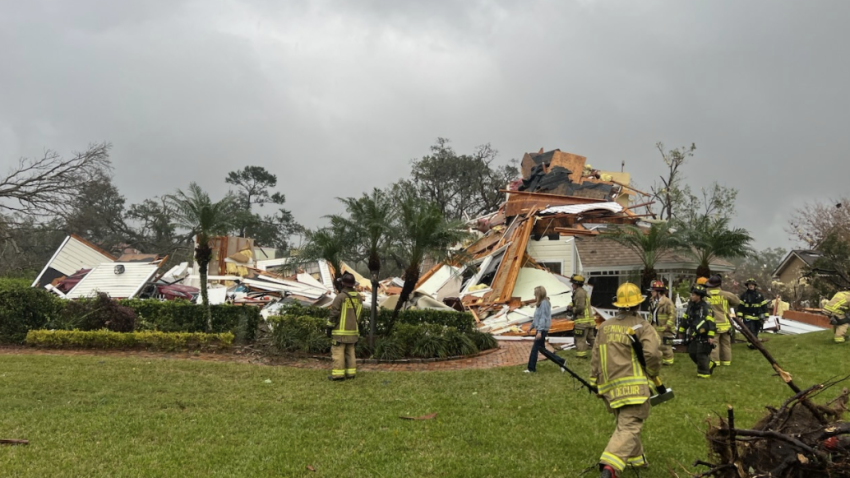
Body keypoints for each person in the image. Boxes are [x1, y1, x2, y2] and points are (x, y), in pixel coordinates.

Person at [591, 282, 661, 478]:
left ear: (618, 305)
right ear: (638, 305)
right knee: (630, 425)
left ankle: (636, 459)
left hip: (610, 389)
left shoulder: (604, 327)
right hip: (635, 388)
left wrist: (593, 381)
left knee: (625, 422)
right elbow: (652, 354)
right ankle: (610, 467)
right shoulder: (643, 327)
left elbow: (595, 356)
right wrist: (653, 372)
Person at [326, 272, 362, 381]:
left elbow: (334, 314)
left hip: (339, 333)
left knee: (338, 353)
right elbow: (359, 315)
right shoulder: (359, 298)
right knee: (350, 352)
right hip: (353, 331)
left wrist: (329, 327)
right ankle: (351, 374)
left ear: (343, 284)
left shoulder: (340, 297)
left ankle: (338, 375)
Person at [678, 285, 716, 378]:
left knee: (701, 354)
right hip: (694, 334)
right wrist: (681, 331)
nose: (692, 296)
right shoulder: (691, 306)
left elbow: (711, 322)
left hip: (704, 334)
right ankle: (709, 364)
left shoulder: (706, 308)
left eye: (694, 295)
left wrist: (710, 336)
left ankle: (704, 373)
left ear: (699, 296)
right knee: (692, 353)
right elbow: (685, 319)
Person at [704, 274, 740, 367]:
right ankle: (726, 361)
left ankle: (715, 362)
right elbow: (737, 302)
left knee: (714, 344)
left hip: (713, 324)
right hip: (725, 323)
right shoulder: (726, 294)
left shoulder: (705, 295)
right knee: (726, 343)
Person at [647, 280, 676, 365]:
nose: (651, 292)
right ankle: (659, 359)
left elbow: (672, 314)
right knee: (655, 344)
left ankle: (668, 361)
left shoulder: (667, 302)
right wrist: (648, 324)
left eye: (653, 291)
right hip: (655, 326)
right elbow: (651, 314)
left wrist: (667, 325)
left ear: (658, 292)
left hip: (665, 327)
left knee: (665, 345)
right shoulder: (652, 301)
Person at [525, 286, 552, 373]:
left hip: (542, 330)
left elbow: (543, 318)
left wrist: (539, 332)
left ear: (539, 294)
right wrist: (530, 327)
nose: (534, 295)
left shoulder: (544, 303)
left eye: (535, 294)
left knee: (535, 349)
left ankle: (531, 368)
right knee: (542, 349)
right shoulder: (540, 303)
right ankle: (561, 361)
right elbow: (537, 318)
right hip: (541, 329)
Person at [568, 274, 595, 358]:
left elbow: (580, 307)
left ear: (576, 284)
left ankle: (581, 356)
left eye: (573, 283)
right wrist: (571, 304)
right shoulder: (582, 292)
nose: (572, 285)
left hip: (582, 322)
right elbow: (578, 303)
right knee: (591, 339)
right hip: (589, 321)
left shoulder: (579, 293)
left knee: (580, 339)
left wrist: (572, 309)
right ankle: (600, 351)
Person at [739, 278, 768, 348]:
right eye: (749, 284)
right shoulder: (744, 295)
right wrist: (739, 316)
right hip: (748, 316)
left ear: (755, 285)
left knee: (756, 330)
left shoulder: (759, 295)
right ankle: (751, 344)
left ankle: (753, 342)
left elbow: (764, 306)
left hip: (758, 316)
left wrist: (766, 315)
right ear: (747, 286)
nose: (751, 286)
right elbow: (740, 306)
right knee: (750, 330)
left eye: (752, 284)